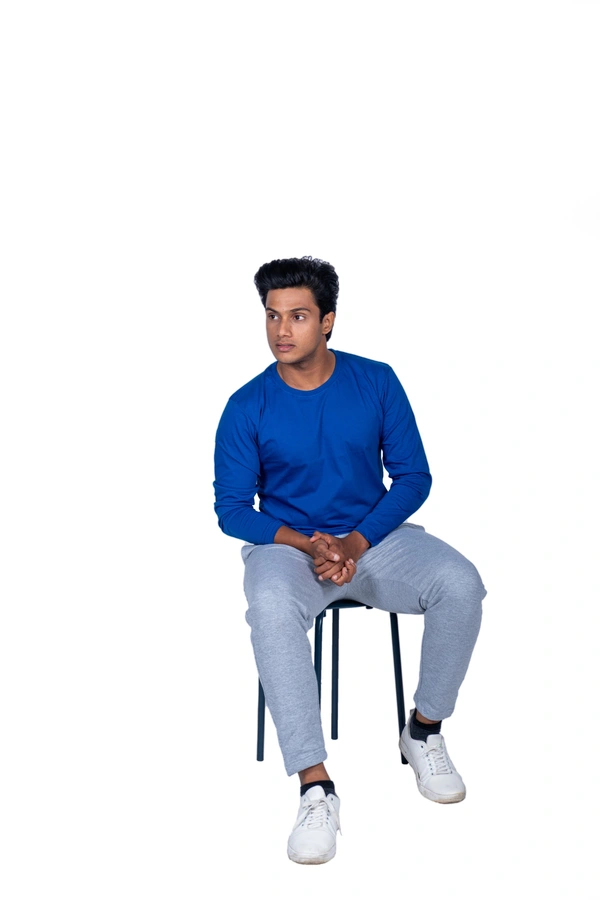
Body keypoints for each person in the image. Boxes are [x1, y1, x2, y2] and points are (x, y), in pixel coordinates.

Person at [213, 256, 487, 865]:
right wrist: (307, 543)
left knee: (461, 583)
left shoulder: (376, 381)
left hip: (376, 540)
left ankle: (423, 730)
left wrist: (356, 543)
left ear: (328, 321)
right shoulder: (246, 404)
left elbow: (413, 476)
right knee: (270, 606)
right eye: (272, 316)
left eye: (298, 316)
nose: (282, 330)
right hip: (288, 549)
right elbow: (231, 509)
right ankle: (316, 786)